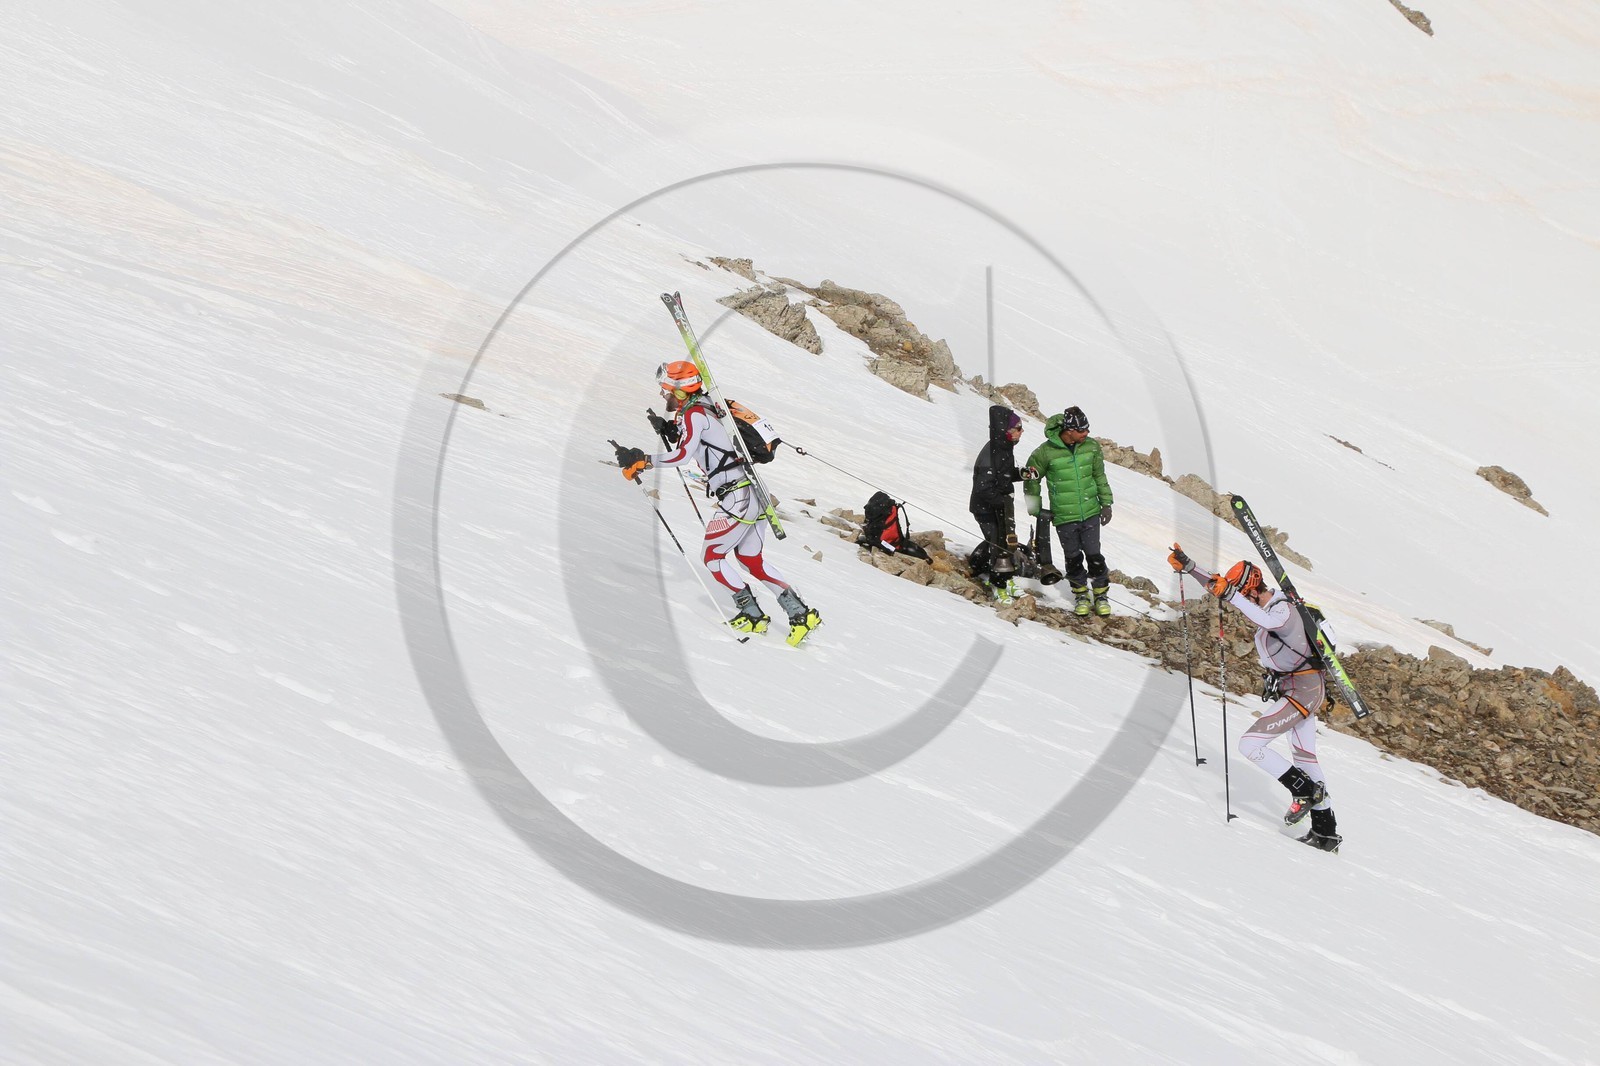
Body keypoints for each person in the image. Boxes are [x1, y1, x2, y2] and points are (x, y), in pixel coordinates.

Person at [615, 361, 822, 646]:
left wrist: (644, 461)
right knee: (751, 560)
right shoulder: (708, 406)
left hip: (737, 497)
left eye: (665, 391)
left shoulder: (694, 414)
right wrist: (671, 432)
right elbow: (709, 444)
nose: (664, 397)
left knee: (712, 557)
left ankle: (752, 613)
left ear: (682, 390)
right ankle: (800, 614)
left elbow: (682, 458)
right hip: (752, 492)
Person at [1167, 544, 1342, 853]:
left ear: (1251, 590)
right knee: (1305, 757)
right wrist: (1190, 566)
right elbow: (1224, 590)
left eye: (1241, 595)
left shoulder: (1284, 609)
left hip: (1304, 689)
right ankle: (1326, 832)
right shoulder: (1263, 604)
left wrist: (1230, 594)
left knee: (1250, 744)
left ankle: (1302, 790)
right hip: (1298, 688)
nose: (1239, 602)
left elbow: (1266, 621)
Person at [1022, 406, 1114, 616]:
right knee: (1072, 557)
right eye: (1082, 430)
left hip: (1090, 511)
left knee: (1094, 555)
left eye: (1087, 429)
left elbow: (1099, 476)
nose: (1086, 434)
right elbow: (1032, 481)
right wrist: (1035, 509)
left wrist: (1106, 504)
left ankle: (1101, 594)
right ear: (1069, 430)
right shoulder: (1045, 452)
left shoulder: (1091, 447)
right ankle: (1080, 594)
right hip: (1063, 516)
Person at [967, 405, 1027, 600]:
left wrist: (1021, 474)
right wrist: (1002, 501)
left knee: (1005, 542)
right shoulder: (991, 452)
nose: (1021, 431)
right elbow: (983, 487)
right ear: (1006, 429)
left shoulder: (1004, 447)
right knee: (997, 544)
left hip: (999, 507)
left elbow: (1003, 476)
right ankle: (997, 584)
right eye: (1018, 427)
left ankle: (1005, 577)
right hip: (986, 509)